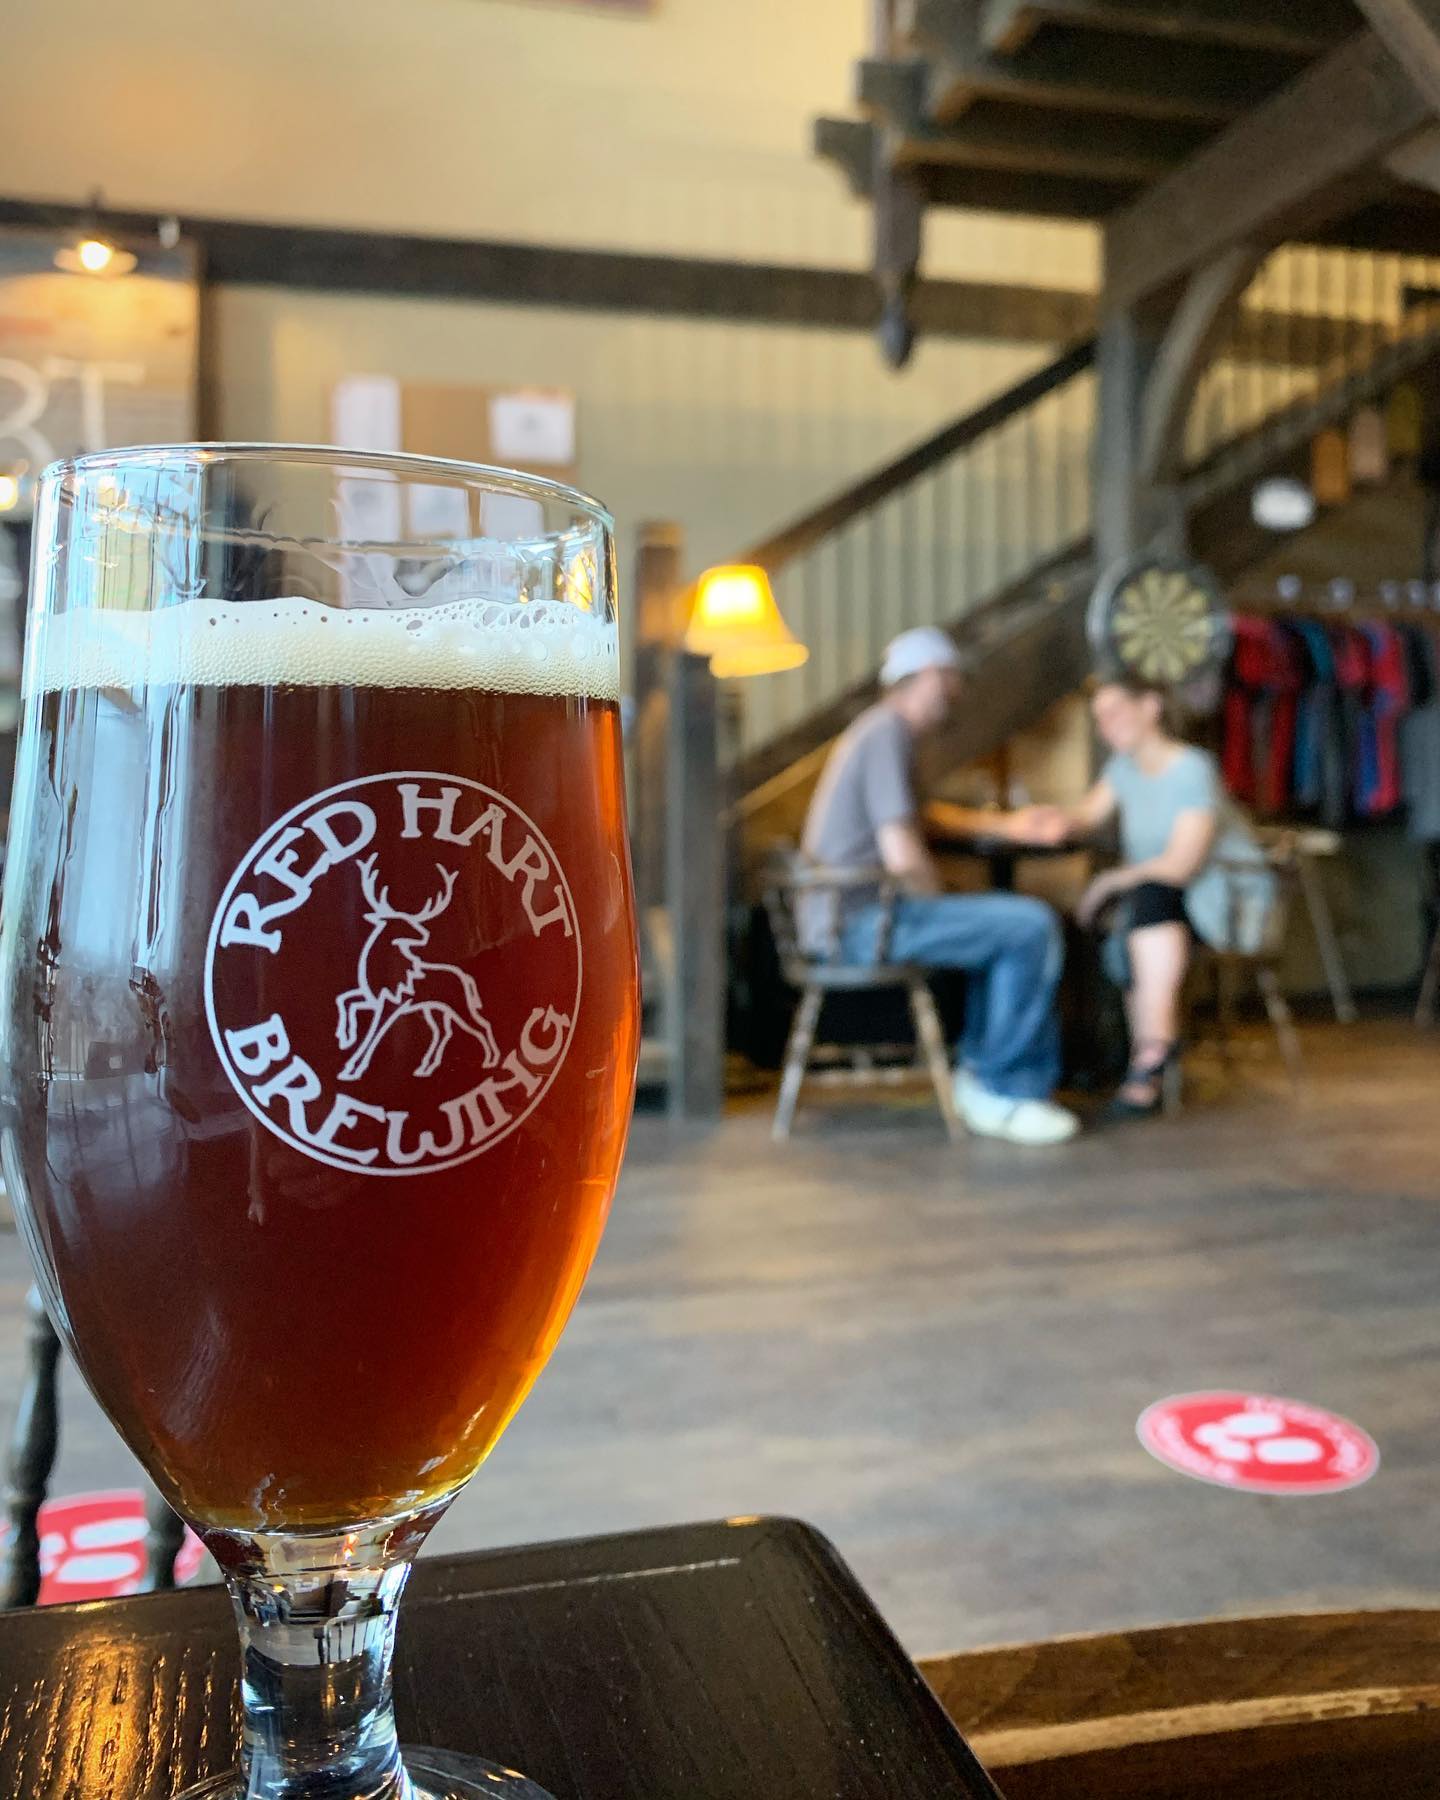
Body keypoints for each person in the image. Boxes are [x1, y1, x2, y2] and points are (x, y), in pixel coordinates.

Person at [799, 626, 1079, 1146]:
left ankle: (985, 1075)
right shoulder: (886, 732)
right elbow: (901, 847)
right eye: (950, 678)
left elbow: (923, 818)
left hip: (852, 917)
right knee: (1030, 925)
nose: (956, 691)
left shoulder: (882, 732)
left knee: (1002, 925)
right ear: (928, 675)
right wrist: (947, 903)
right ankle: (1004, 1090)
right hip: (861, 924)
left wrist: (1009, 827)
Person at [1032, 677, 1274, 1120]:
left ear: (1151, 706)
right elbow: (1085, 816)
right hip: (1162, 898)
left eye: (1116, 711)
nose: (1107, 725)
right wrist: (1046, 819)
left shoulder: (1191, 769)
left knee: (1147, 898)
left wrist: (1110, 882)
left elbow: (1182, 863)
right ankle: (1131, 1053)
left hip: (1222, 898)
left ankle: (1151, 1055)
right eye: (1100, 718)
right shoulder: (1123, 768)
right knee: (1107, 915)